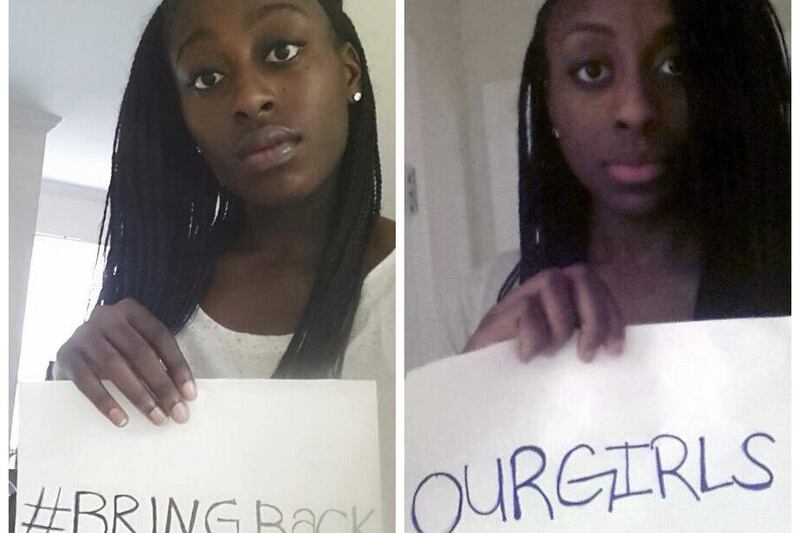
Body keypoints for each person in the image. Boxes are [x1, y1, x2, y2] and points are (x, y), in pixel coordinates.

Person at [50, 0, 394, 524]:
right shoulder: (156, 301)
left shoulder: (415, 290)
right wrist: (71, 395)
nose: (250, 99)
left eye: (282, 51)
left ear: (348, 70)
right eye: (207, 78)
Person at [456, 0, 789, 361]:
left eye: (678, 65)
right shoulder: (478, 303)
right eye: (592, 70)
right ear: (550, 101)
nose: (636, 110)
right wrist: (474, 383)